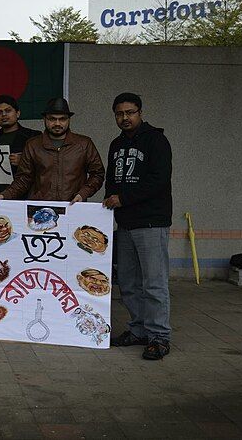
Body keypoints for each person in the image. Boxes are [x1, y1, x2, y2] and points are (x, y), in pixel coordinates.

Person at [104, 93, 173, 361]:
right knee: (129, 283)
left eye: (130, 112)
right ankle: (139, 329)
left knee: (154, 283)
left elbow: (158, 179)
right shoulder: (116, 144)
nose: (125, 118)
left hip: (151, 222)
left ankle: (159, 336)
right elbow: (112, 178)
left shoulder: (156, 140)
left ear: (140, 112)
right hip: (125, 223)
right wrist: (110, 199)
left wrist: (123, 198)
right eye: (119, 114)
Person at [0, 98, 104, 204]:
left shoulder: (84, 144)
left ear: (69, 120)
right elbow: (24, 178)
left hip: (73, 208)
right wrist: (5, 195)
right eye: (52, 119)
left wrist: (83, 193)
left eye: (62, 119)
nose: (57, 123)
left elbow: (98, 173)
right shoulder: (33, 145)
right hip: (39, 210)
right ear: (44, 119)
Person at [0, 95, 40, 195]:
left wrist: (24, 161)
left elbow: (47, 163)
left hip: (25, 194)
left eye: (8, 111)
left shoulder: (33, 136)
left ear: (18, 113)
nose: (3, 115)